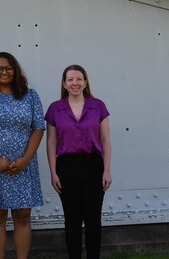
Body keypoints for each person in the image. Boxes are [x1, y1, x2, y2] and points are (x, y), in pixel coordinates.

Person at [0, 52, 45, 259]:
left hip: (24, 163)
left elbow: (39, 128)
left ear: (16, 71)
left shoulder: (31, 96)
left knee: (22, 216)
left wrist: (25, 159)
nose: (4, 72)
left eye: (9, 68)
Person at [45, 65, 112, 259]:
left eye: (79, 79)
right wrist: (53, 172)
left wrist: (106, 170)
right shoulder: (55, 109)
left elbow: (106, 139)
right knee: (72, 220)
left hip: (93, 165)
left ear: (85, 82)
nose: (75, 83)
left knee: (93, 220)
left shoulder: (98, 106)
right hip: (66, 167)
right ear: (64, 84)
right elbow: (51, 142)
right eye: (70, 79)